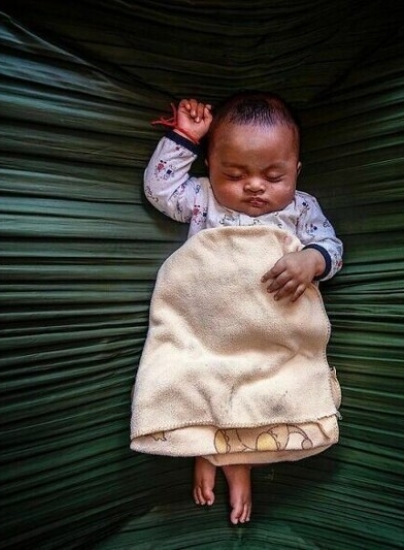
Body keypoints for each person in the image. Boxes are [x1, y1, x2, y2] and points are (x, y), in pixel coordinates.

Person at [141, 91, 343, 524]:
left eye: (274, 175)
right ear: (210, 168)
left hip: (270, 326)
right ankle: (204, 445)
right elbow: (160, 189)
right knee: (198, 374)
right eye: (234, 173)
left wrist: (311, 260)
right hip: (207, 323)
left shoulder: (301, 208)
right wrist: (183, 137)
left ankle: (233, 459)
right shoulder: (201, 198)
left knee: (261, 383)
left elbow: (331, 247)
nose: (255, 186)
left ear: (296, 171)